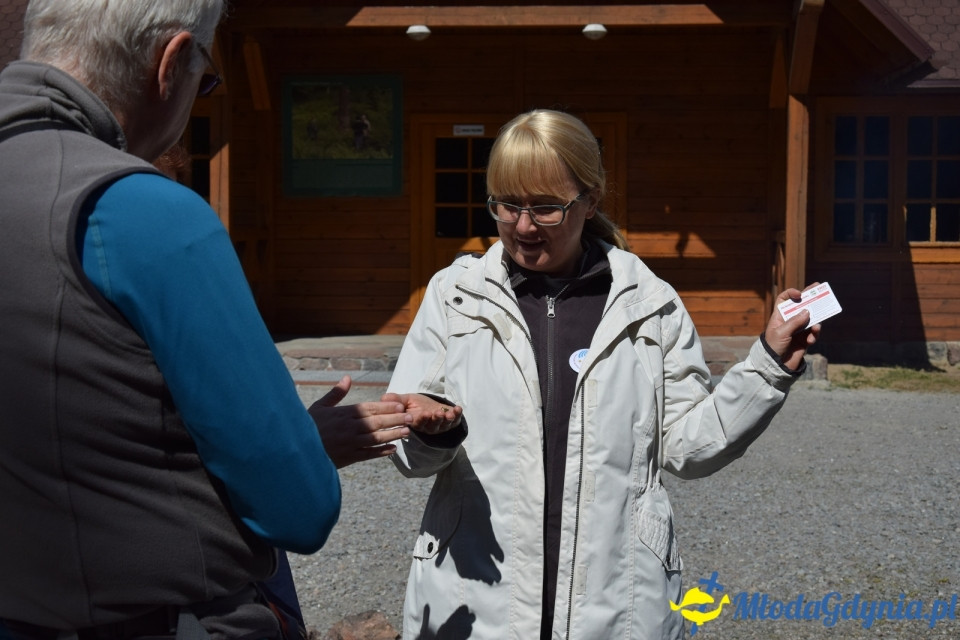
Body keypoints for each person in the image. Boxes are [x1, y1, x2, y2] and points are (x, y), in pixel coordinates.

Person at [0, 1, 412, 638]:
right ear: (171, 64)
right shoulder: (143, 212)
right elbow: (298, 510)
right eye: (206, 79)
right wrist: (295, 451)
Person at [384, 108, 820, 639]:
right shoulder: (453, 299)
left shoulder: (650, 306)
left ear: (590, 201)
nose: (523, 226)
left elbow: (686, 448)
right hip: (471, 602)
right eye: (507, 205)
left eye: (546, 208)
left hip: (617, 608)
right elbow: (409, 453)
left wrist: (766, 367)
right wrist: (434, 432)